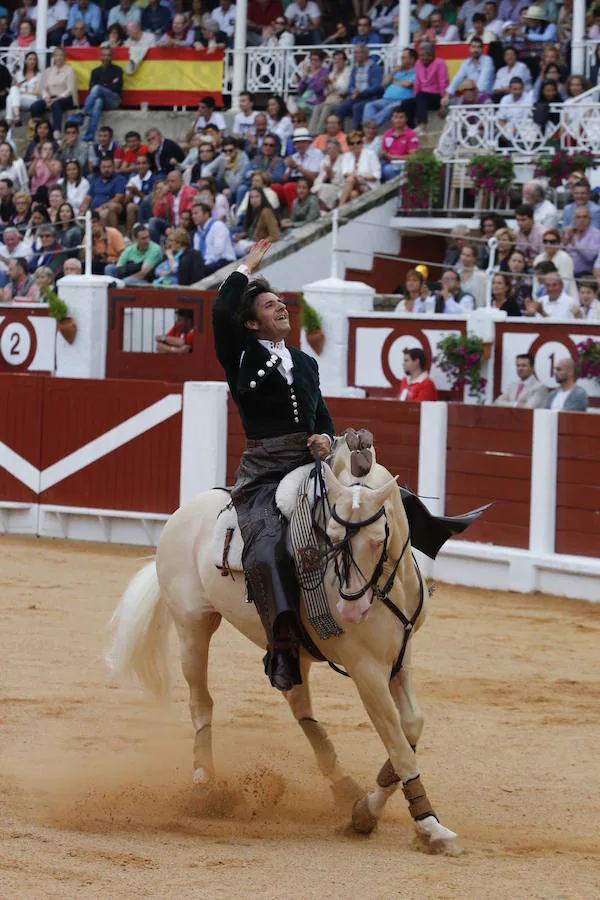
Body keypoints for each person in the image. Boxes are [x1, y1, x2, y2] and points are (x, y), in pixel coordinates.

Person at [212, 238, 335, 691]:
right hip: (265, 469)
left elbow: (321, 414)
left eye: (282, 302)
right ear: (250, 321)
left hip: (309, 458)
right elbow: (221, 313)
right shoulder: (241, 354)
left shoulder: (305, 361)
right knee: (266, 542)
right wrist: (247, 268)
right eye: (269, 305)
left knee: (371, 504)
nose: (281, 307)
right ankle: (282, 642)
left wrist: (326, 437)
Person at [29, 47, 77, 140]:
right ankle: (38, 131)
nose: (59, 58)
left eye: (61, 55)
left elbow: (70, 89)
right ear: (53, 57)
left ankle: (56, 132)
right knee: (35, 106)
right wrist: (46, 97)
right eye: (56, 55)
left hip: (64, 98)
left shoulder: (69, 70)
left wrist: (55, 99)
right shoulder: (48, 71)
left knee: (56, 104)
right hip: (50, 98)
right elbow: (43, 88)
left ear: (65, 57)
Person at [78, 45, 123, 143]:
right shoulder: (95, 72)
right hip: (101, 100)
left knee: (97, 88)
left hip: (114, 100)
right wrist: (109, 84)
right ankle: (90, 135)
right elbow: (91, 89)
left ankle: (83, 113)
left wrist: (102, 87)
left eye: (108, 55)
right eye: (103, 55)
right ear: (100, 56)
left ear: (111, 57)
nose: (106, 58)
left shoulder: (117, 70)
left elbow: (117, 87)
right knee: (98, 101)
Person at [362, 47, 417, 128]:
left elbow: (408, 84)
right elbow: (383, 84)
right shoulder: (397, 72)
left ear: (412, 59)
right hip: (386, 99)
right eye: (401, 58)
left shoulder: (416, 71)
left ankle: (369, 127)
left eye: (404, 58)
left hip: (401, 101)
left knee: (389, 108)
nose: (401, 60)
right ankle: (368, 126)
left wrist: (393, 81)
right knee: (369, 105)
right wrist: (393, 72)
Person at [335, 43, 383, 130]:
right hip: (356, 97)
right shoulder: (355, 68)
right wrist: (352, 91)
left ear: (365, 54)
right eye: (355, 53)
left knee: (357, 107)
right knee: (339, 108)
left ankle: (356, 134)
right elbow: (350, 86)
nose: (355, 55)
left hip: (369, 98)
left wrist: (361, 92)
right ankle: (339, 134)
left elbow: (376, 87)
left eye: (357, 53)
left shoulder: (374, 68)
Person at [442, 37, 495, 111]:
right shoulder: (466, 62)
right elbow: (457, 78)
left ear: (482, 49)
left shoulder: (487, 60)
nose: (475, 50)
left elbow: (482, 84)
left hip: (485, 96)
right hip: (470, 95)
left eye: (478, 47)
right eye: (473, 47)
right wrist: (447, 95)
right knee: (447, 103)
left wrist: (470, 95)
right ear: (469, 48)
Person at [408, 42, 449, 131]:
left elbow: (443, 83)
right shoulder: (418, 63)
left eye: (424, 55)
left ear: (431, 55)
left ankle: (422, 125)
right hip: (422, 98)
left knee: (421, 95)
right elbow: (417, 83)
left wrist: (443, 105)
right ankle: (410, 130)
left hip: (437, 97)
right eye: (420, 55)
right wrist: (416, 99)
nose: (421, 58)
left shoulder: (440, 63)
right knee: (405, 104)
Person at [191, 200, 236, 274]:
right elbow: (197, 254)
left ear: (206, 214)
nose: (193, 216)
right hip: (208, 263)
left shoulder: (218, 225)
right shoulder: (197, 234)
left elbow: (218, 251)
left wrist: (203, 265)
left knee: (200, 272)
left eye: (196, 213)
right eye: (192, 214)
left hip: (224, 261)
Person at [80, 157, 127, 228]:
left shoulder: (119, 179)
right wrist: (82, 211)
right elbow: (88, 198)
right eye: (104, 167)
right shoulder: (96, 180)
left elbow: (119, 198)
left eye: (109, 167)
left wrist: (101, 208)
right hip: (95, 210)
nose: (106, 169)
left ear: (114, 167)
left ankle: (110, 236)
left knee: (106, 211)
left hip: (111, 208)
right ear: (100, 168)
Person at [532, 227, 577, 299]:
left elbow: (564, 285)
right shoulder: (538, 258)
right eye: (545, 241)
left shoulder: (565, 258)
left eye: (552, 242)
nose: (548, 244)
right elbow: (535, 284)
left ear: (558, 243)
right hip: (542, 299)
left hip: (565, 298)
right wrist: (537, 300)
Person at [234, 187, 280, 255]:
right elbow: (254, 231)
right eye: (251, 197)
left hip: (258, 245)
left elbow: (275, 236)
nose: (254, 200)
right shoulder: (254, 211)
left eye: (257, 196)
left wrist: (257, 245)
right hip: (250, 242)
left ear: (262, 197)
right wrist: (241, 235)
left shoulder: (266, 212)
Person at [339, 129, 381, 205]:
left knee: (350, 179)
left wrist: (363, 178)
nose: (355, 145)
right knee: (353, 193)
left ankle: (339, 208)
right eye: (352, 143)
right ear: (348, 145)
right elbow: (344, 173)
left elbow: (376, 175)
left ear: (362, 143)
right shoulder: (346, 156)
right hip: (353, 186)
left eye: (358, 142)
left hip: (369, 185)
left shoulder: (371, 154)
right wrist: (356, 177)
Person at [379, 107, 420, 181]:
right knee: (376, 169)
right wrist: (384, 154)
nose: (398, 120)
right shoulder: (387, 134)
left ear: (406, 119)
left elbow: (413, 156)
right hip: (389, 163)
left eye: (401, 117)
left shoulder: (411, 134)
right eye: (396, 117)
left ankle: (398, 190)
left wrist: (395, 157)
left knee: (387, 170)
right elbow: (383, 152)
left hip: (404, 164)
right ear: (391, 119)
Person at [5, 49, 40, 126]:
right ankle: (13, 120)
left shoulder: (38, 75)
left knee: (11, 96)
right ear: (25, 61)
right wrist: (18, 88)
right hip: (19, 100)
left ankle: (12, 121)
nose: (32, 61)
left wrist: (22, 90)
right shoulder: (19, 73)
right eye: (30, 59)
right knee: (10, 98)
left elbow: (36, 92)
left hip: (32, 100)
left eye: (34, 59)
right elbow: (14, 87)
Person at [563, 208, 600, 278]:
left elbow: (590, 257)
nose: (581, 220)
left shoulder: (597, 234)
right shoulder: (570, 232)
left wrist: (575, 243)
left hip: (585, 275)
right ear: (574, 220)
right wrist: (565, 241)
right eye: (578, 217)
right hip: (566, 272)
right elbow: (561, 250)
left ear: (590, 219)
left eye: (585, 217)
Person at [87, 209, 124, 273]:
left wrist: (108, 260)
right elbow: (89, 260)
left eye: (94, 222)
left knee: (108, 268)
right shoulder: (87, 237)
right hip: (98, 265)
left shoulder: (113, 233)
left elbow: (124, 257)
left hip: (114, 264)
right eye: (88, 223)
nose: (91, 226)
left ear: (100, 222)